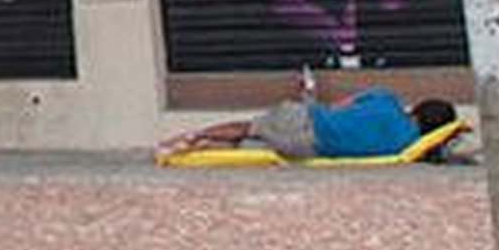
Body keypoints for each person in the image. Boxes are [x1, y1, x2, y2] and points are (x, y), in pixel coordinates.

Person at [164, 78, 460, 161]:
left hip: (309, 120)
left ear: (417, 108)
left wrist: (308, 96)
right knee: (253, 145)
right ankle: (201, 148)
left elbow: (337, 108)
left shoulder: (385, 100)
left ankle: (193, 136)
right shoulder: (407, 147)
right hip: (310, 147)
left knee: (249, 127)